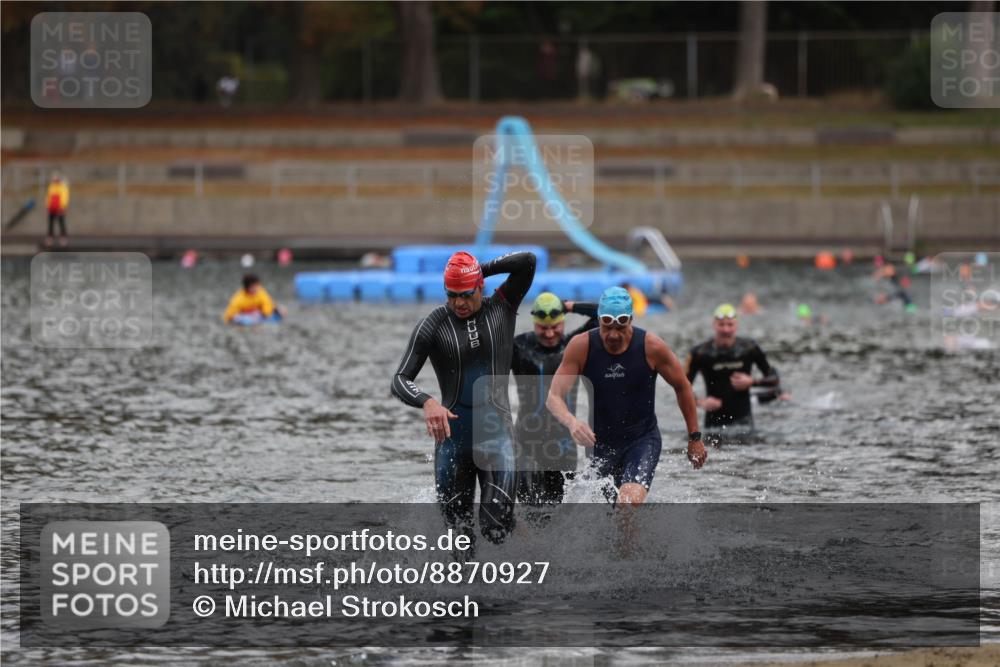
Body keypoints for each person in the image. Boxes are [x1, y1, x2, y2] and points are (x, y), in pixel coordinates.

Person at [391, 251, 536, 548]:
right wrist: (428, 402)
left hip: (498, 439)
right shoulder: (433, 325)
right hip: (453, 443)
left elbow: (528, 262)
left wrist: (475, 269)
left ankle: (523, 570)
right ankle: (468, 594)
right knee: (458, 542)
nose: (458, 302)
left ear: (480, 287)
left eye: (466, 294)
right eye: (451, 294)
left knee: (495, 526)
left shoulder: (503, 307)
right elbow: (400, 380)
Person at [546, 287, 706, 507]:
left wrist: (694, 437)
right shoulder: (581, 346)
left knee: (627, 504)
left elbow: (683, 387)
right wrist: (572, 423)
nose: (613, 334)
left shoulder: (652, 347)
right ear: (599, 320)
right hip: (600, 445)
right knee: (607, 516)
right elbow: (554, 397)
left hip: (642, 441)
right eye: (606, 327)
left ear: (630, 320)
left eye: (620, 327)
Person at [510, 292, 599, 505]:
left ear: (563, 322)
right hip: (526, 443)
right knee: (529, 509)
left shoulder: (575, 346)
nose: (549, 334)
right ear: (534, 322)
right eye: (543, 327)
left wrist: (569, 306)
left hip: (563, 446)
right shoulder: (518, 347)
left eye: (555, 327)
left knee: (554, 516)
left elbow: (601, 313)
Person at [686, 304, 780, 434]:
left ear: (736, 325)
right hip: (713, 426)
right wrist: (700, 402)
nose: (726, 330)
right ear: (714, 325)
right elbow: (683, 386)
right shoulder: (700, 353)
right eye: (721, 324)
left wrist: (752, 382)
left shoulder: (749, 348)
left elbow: (774, 379)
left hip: (745, 424)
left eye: (730, 325)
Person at [45, 172, 70, 247]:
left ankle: (63, 238)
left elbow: (65, 197)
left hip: (60, 208)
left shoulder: (63, 186)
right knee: (50, 223)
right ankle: (50, 238)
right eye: (54, 179)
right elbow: (48, 197)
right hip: (52, 208)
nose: (55, 180)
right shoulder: (51, 186)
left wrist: (63, 206)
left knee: (61, 222)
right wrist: (47, 206)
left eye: (56, 179)